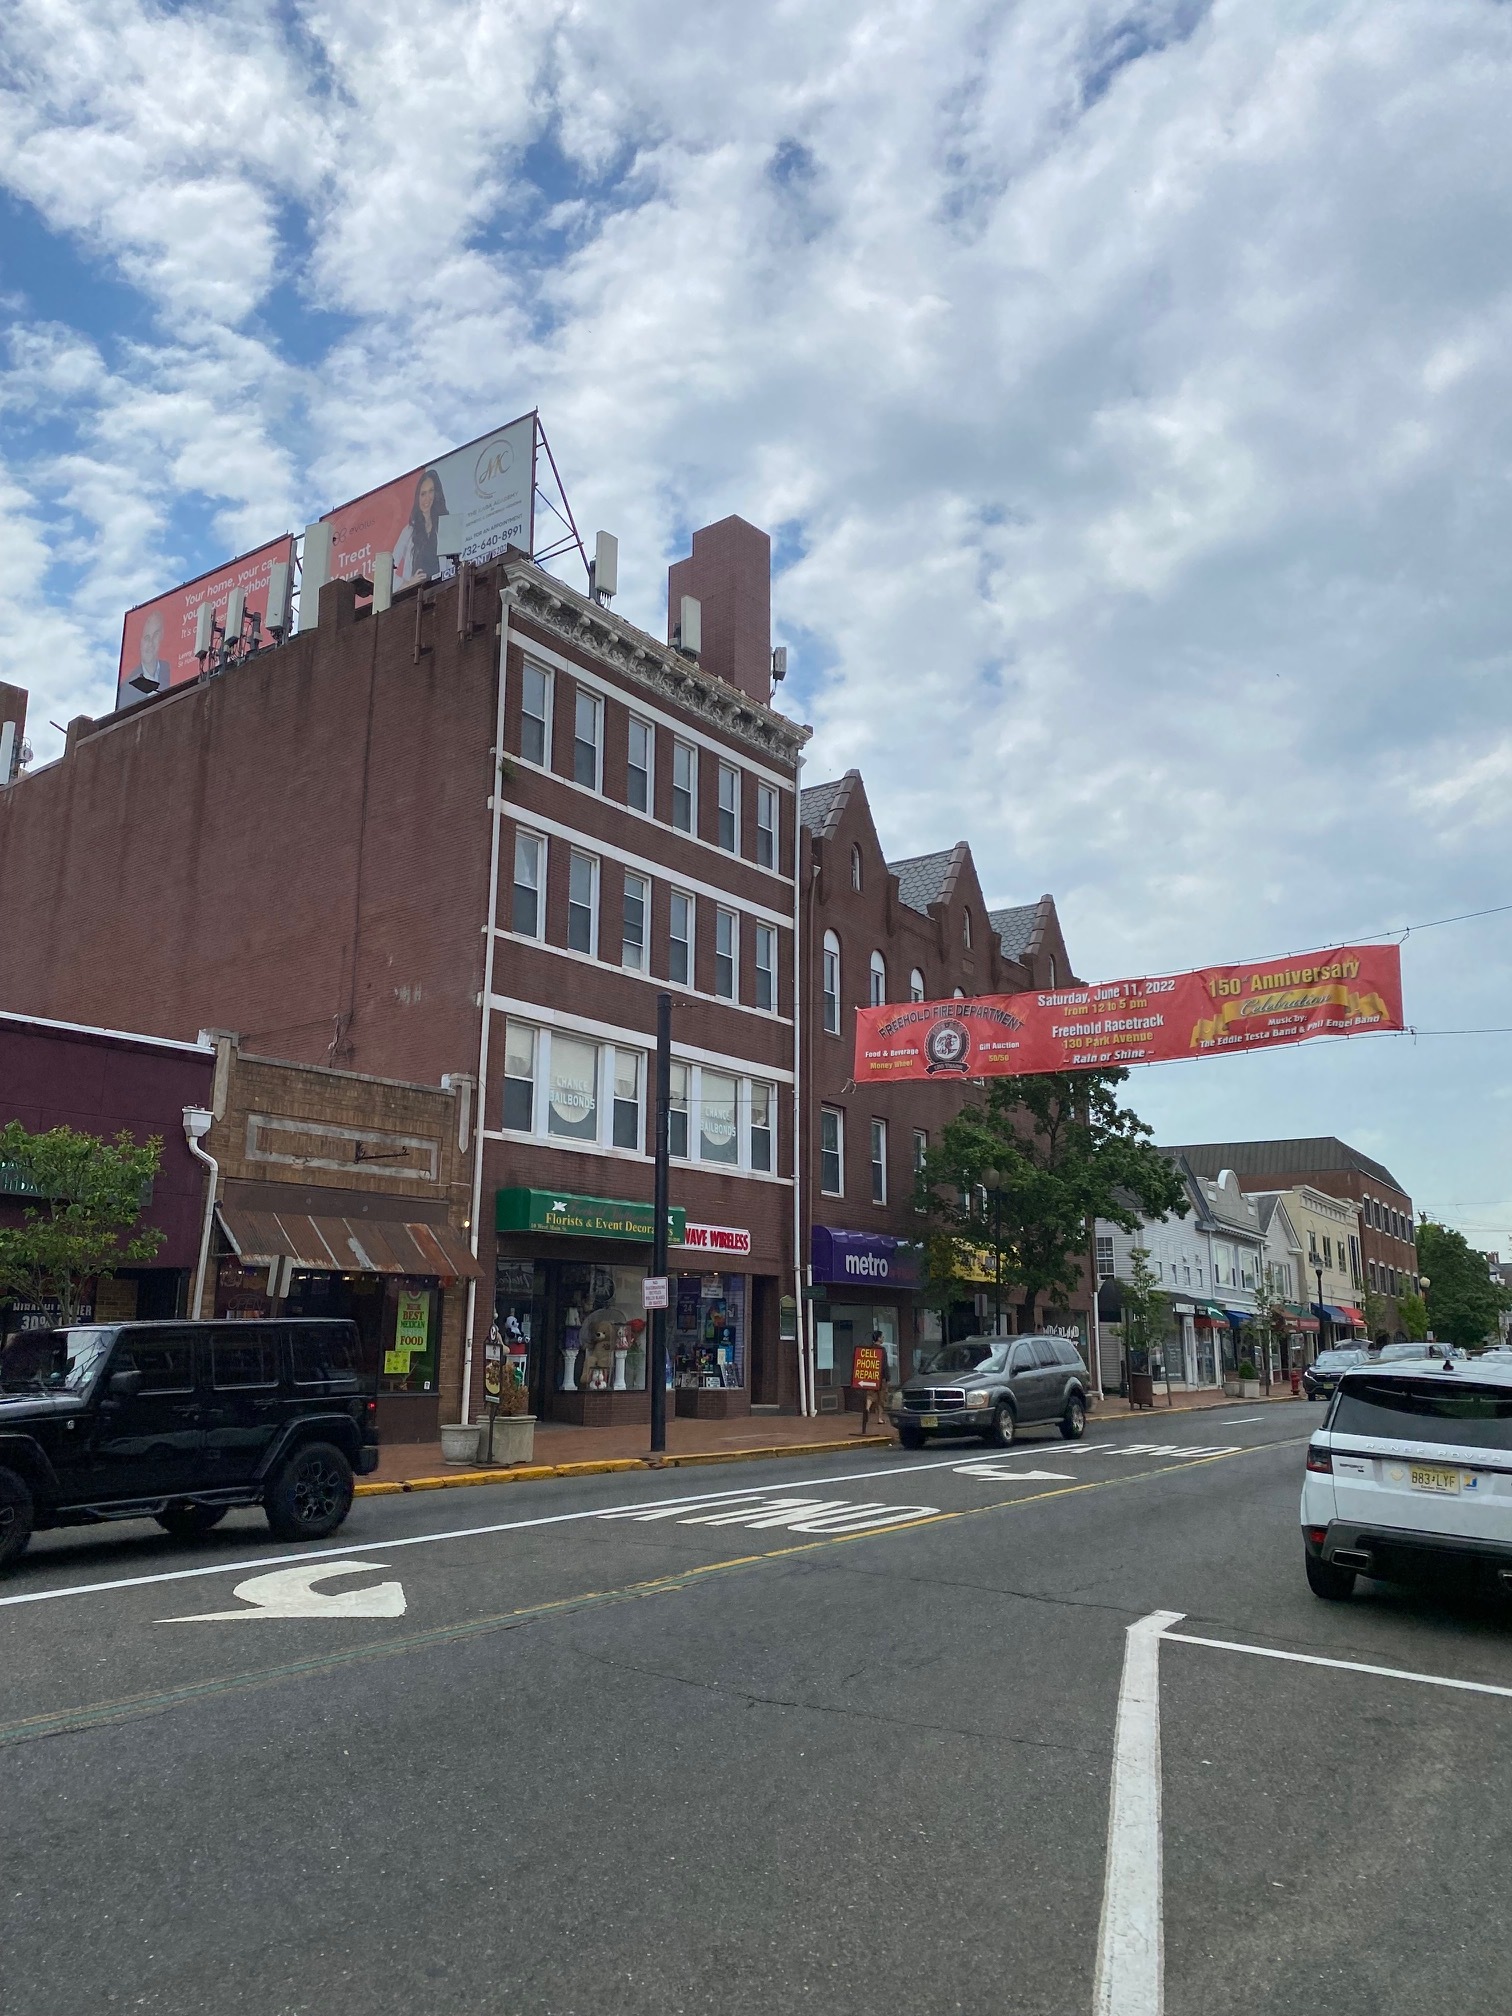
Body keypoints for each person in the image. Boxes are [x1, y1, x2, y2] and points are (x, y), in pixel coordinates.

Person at [392, 467, 447, 588]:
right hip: (416, 596)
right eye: (423, 494)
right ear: (417, 497)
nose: (427, 498)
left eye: (431, 491)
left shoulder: (445, 525)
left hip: (442, 591)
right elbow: (387, 570)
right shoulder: (408, 531)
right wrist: (407, 584)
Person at [124, 608, 172, 697]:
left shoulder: (169, 669)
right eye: (147, 638)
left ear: (161, 636)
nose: (150, 643)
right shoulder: (129, 686)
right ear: (140, 641)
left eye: (155, 635)